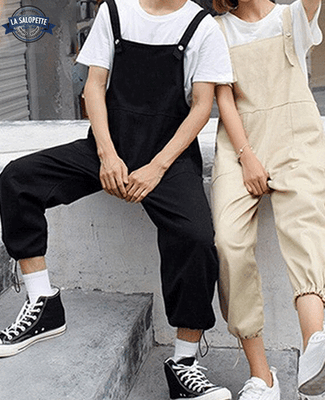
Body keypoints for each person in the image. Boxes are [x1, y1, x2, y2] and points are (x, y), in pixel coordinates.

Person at [0, 0, 234, 398]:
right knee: (17, 179)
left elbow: (201, 107)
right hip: (109, 148)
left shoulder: (202, 27)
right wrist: (107, 155)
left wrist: (156, 168)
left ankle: (184, 363)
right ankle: (43, 303)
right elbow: (93, 86)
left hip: (168, 160)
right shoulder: (114, 12)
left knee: (195, 237)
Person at [211, 0, 325, 399]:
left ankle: (314, 342)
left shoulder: (292, 16)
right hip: (239, 141)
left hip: (295, 134)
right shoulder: (217, 29)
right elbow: (223, 98)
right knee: (229, 242)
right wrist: (247, 157)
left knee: (305, 219)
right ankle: (262, 377)